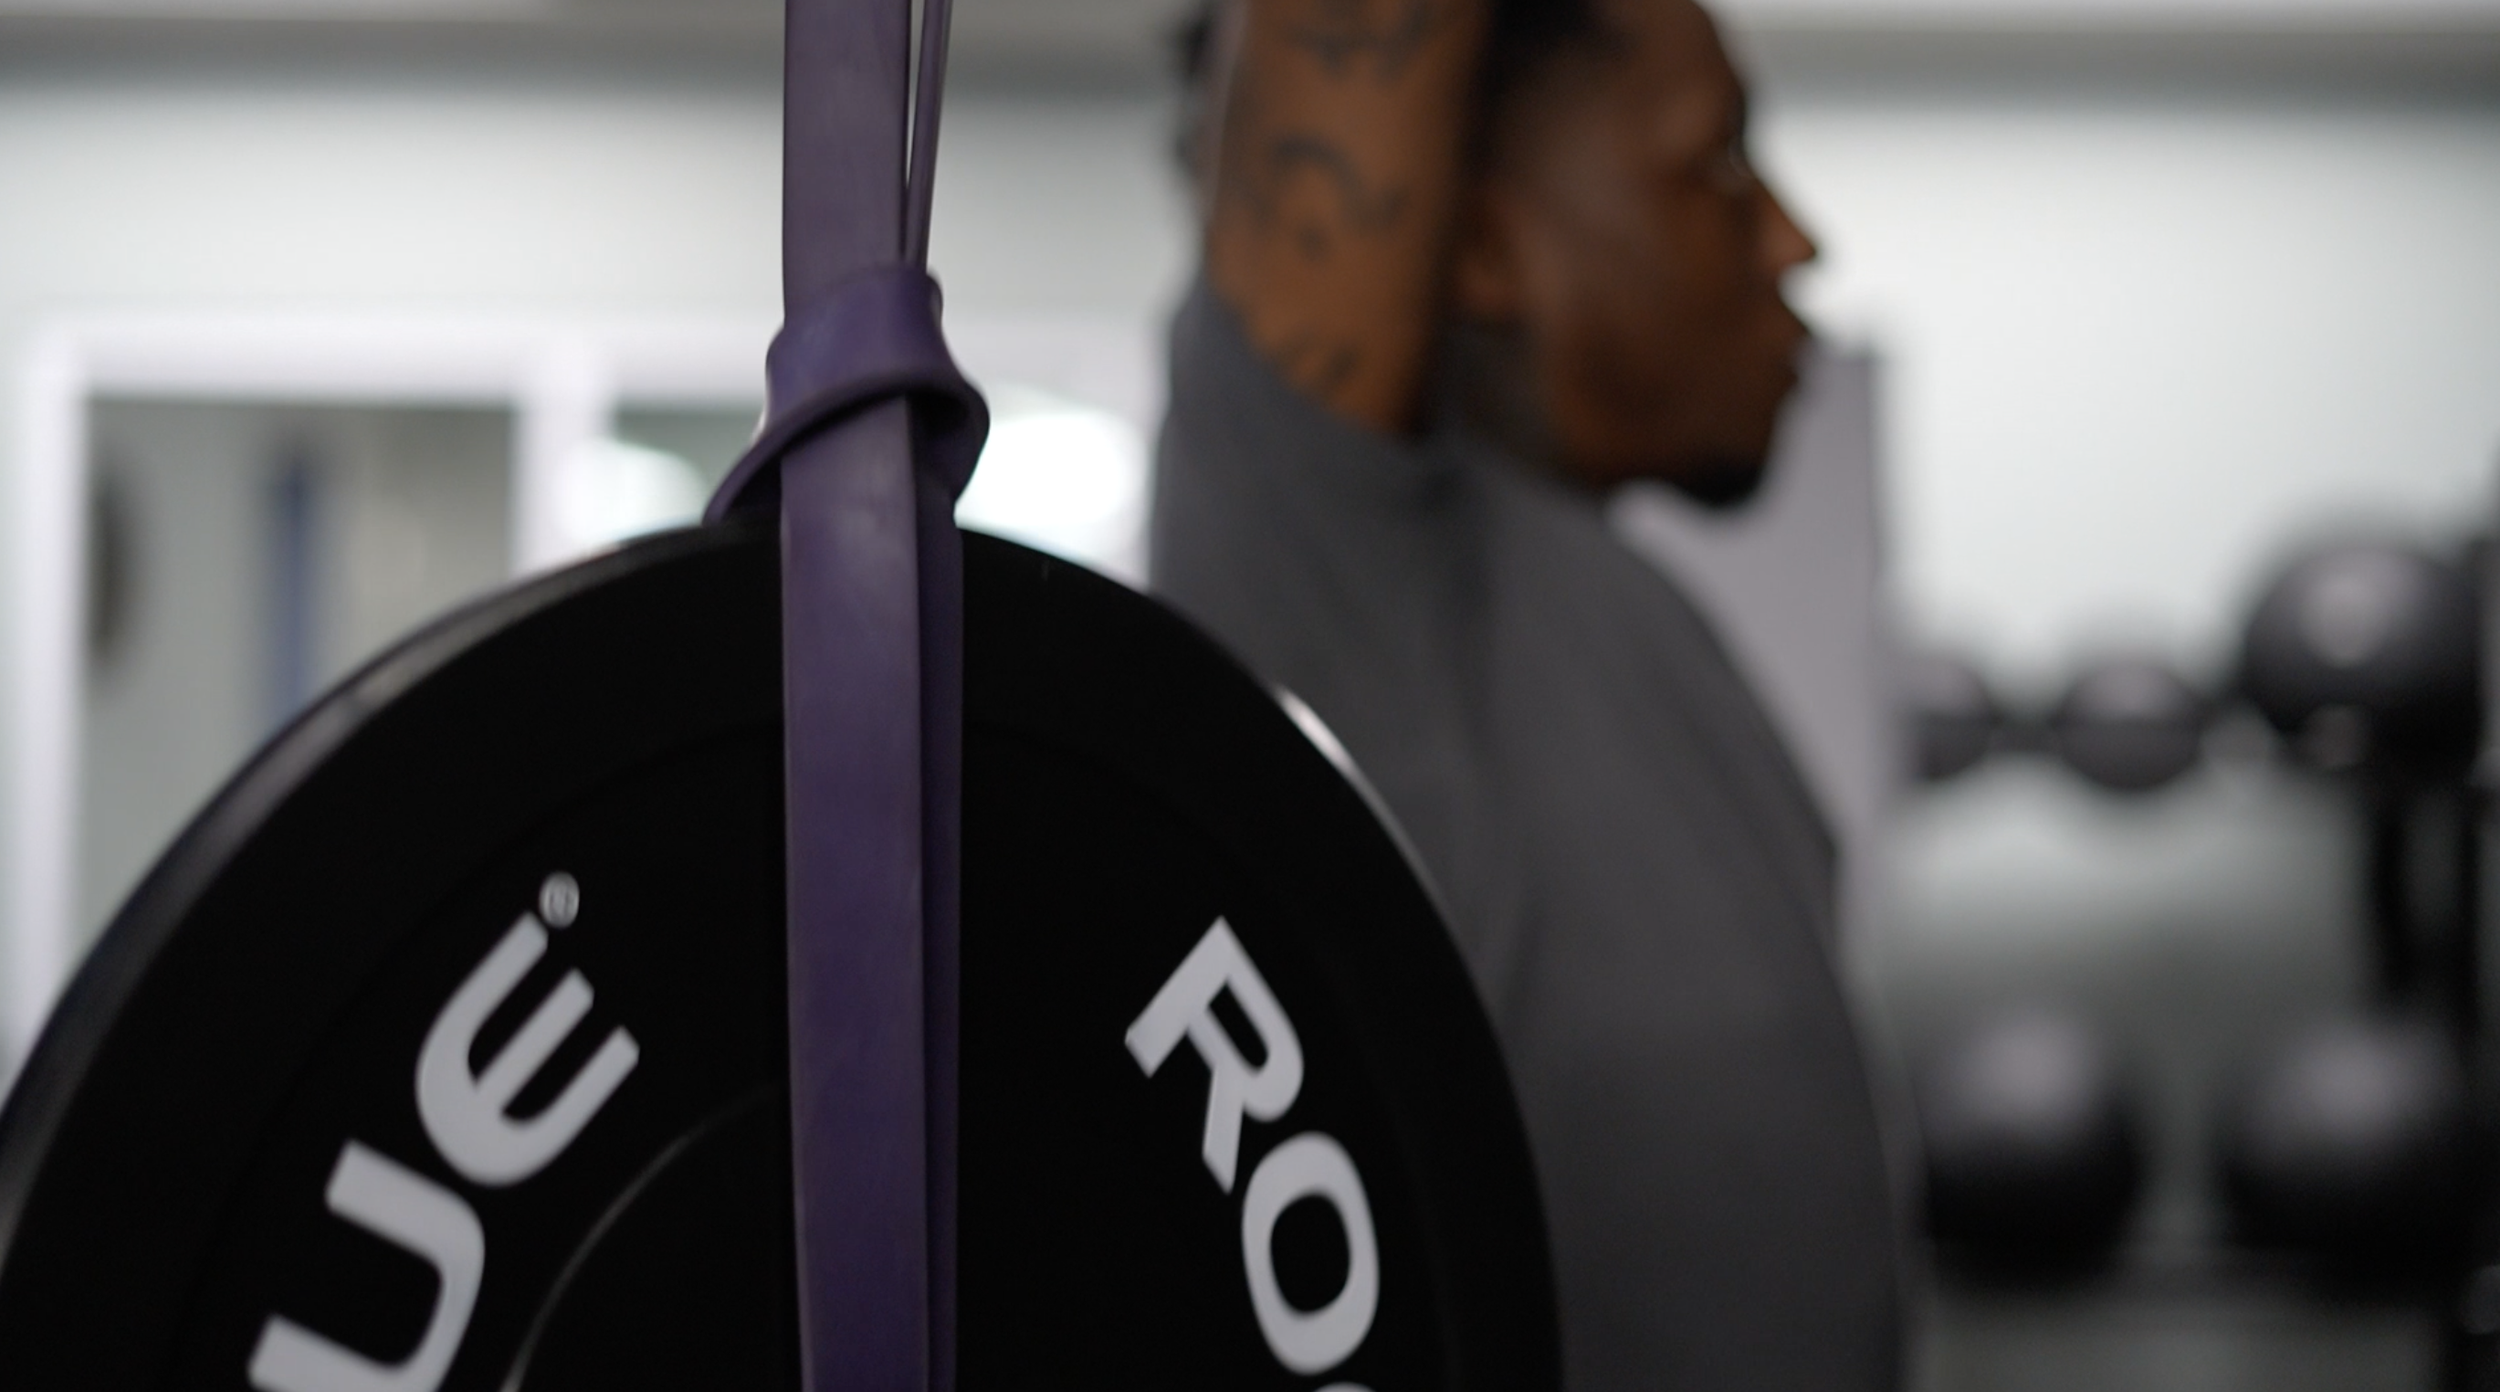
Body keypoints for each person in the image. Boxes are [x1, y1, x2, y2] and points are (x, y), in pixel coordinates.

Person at [1149, 0, 1903, 1389]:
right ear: (1483, 239)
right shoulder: (1326, 553)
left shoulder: (1625, 607)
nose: (1795, 242)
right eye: (1717, 164)